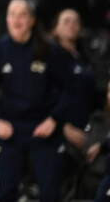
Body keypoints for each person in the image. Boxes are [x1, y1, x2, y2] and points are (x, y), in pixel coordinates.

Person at [0, 0, 71, 202]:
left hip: (43, 128)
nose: (17, 20)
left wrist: (54, 119)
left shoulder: (49, 50)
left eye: (22, 14)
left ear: (32, 20)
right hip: (10, 129)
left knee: (50, 193)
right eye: (12, 14)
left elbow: (69, 90)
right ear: (6, 19)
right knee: (5, 192)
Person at [50, 8, 97, 154]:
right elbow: (42, 96)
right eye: (66, 21)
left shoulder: (84, 56)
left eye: (76, 21)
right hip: (60, 132)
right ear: (55, 29)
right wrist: (63, 127)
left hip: (87, 128)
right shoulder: (50, 57)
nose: (72, 25)